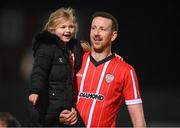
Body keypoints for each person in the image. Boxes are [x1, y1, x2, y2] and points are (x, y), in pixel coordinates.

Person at [59, 11, 146, 127]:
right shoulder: (74, 61)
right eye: (93, 28)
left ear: (113, 35)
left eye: (102, 29)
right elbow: (53, 95)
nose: (96, 33)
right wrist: (58, 115)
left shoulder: (125, 71)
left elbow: (139, 122)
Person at [28, 7, 85, 127]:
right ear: (52, 29)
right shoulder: (47, 47)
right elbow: (39, 70)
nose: (68, 30)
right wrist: (35, 90)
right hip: (49, 102)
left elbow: (91, 57)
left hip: (66, 102)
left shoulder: (74, 48)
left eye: (71, 27)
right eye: (63, 27)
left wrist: (111, 56)